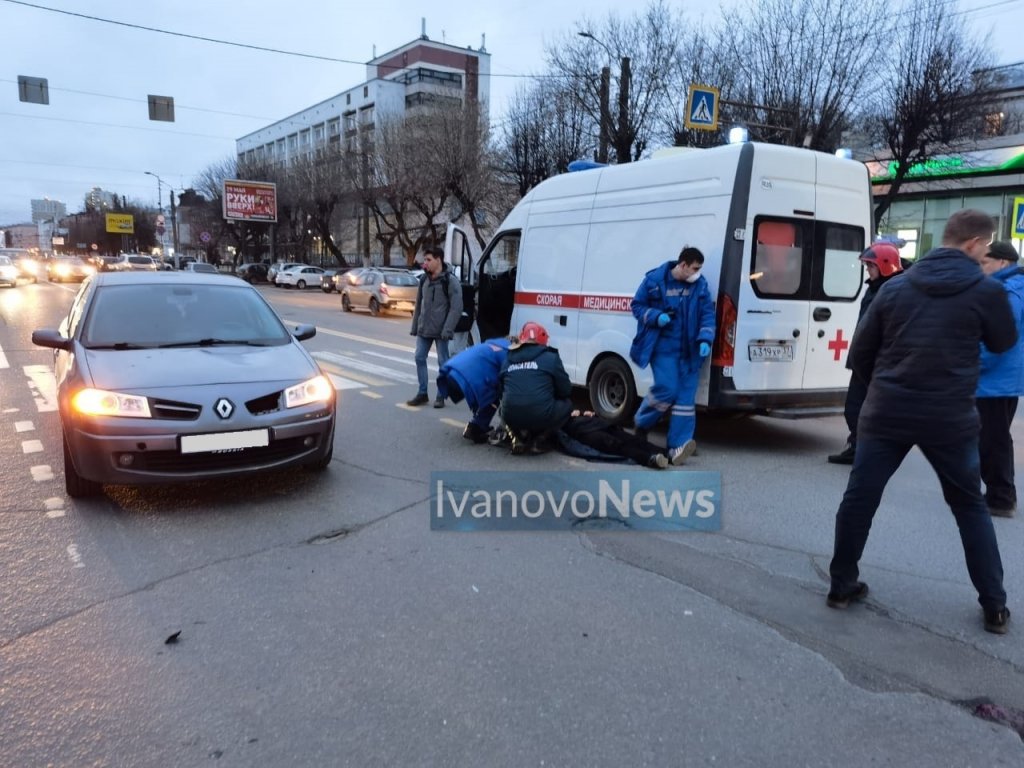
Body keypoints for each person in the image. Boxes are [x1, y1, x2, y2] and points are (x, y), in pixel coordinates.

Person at [827, 208, 1016, 635]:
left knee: (860, 498)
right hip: (949, 418)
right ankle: (995, 607)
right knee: (970, 506)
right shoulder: (984, 292)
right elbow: (1004, 341)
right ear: (974, 243)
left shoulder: (896, 288)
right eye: (985, 246)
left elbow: (859, 356)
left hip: (887, 412)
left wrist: (890, 381)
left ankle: (841, 586)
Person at [630, 246, 716, 465]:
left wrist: (705, 338)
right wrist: (656, 316)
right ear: (683, 265)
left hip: (689, 351)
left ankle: (677, 446)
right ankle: (642, 422)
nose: (698, 272)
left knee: (685, 400)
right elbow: (637, 306)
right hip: (663, 349)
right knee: (667, 389)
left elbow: (707, 313)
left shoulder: (700, 284)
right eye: (695, 268)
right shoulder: (655, 280)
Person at [828, 243, 905, 464]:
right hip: (865, 359)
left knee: (858, 409)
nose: (867, 270)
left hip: (875, 361)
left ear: (885, 266)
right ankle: (858, 447)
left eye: (871, 266)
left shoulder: (890, 290)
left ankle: (865, 450)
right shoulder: (875, 287)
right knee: (855, 408)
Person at [975, 240, 1024, 518]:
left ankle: (1000, 498)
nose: (982, 268)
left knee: (992, 439)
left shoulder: (1008, 292)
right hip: (1006, 378)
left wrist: (974, 363)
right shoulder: (1014, 287)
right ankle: (1001, 493)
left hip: (995, 379)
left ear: (1003, 262)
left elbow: (1000, 338)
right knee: (998, 438)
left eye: (985, 263)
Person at [498, 321, 573, 455]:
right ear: (543, 340)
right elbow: (566, 390)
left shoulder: (508, 358)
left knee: (504, 406)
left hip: (510, 415)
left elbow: (500, 389)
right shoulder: (551, 357)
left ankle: (516, 438)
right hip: (542, 416)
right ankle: (539, 440)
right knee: (567, 404)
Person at [407, 246, 462, 408]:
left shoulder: (450, 281)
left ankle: (441, 395)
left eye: (428, 260)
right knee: (419, 357)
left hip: (441, 330)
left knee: (443, 362)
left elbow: (456, 307)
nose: (425, 264)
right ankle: (422, 393)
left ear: (438, 260)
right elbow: (419, 304)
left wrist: (448, 329)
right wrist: (415, 325)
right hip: (425, 328)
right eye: (425, 260)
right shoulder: (424, 280)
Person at [436, 336, 514, 443]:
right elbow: (507, 379)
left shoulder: (490, 344)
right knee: (493, 398)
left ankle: (476, 423)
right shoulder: (507, 352)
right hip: (467, 379)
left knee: (485, 394)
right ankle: (477, 427)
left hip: (450, 373)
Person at [560, 410, 671, 469]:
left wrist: (580, 413)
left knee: (625, 438)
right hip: (577, 427)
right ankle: (651, 458)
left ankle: (666, 454)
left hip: (582, 422)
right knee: (616, 443)